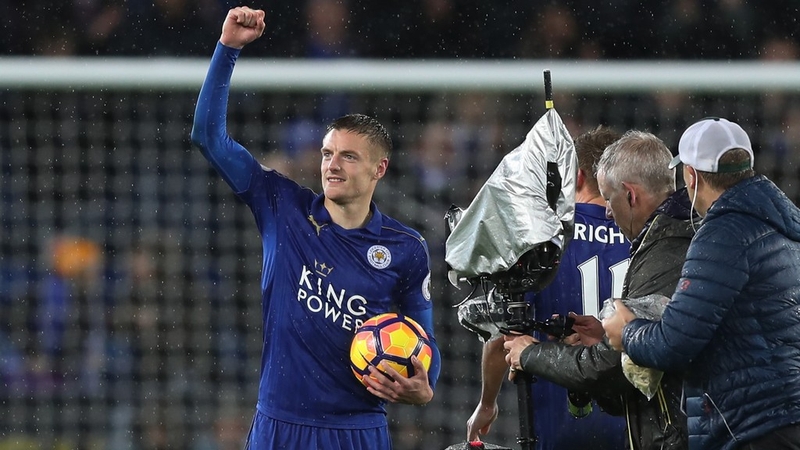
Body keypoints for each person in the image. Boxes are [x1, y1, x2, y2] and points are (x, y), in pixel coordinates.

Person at [190, 7, 441, 450]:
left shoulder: (405, 248)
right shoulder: (283, 206)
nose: (332, 165)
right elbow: (209, 136)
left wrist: (424, 388)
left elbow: (426, 348)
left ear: (379, 168)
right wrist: (227, 47)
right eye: (327, 153)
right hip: (278, 425)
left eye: (348, 156)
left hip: (357, 431)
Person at [603, 117, 800, 450]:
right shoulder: (782, 224)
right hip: (784, 417)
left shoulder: (723, 235)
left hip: (751, 427)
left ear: (690, 176)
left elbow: (673, 344)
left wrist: (627, 331)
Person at [505, 130, 696, 449]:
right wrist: (606, 339)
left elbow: (617, 365)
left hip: (568, 424)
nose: (608, 212)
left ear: (630, 195)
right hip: (641, 424)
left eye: (611, 201)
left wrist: (531, 354)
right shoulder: (659, 241)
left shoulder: (667, 249)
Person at [466, 126, 631, 450]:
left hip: (556, 425)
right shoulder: (644, 235)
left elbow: (503, 332)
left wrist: (487, 402)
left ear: (577, 176)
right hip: (633, 423)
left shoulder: (545, 240)